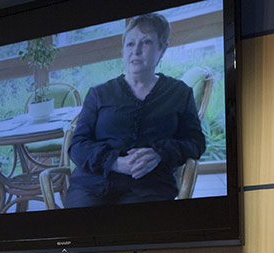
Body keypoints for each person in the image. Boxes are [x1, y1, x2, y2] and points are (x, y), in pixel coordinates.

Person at [65, 13, 206, 207]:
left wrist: (160, 153)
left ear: (162, 49)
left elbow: (196, 142)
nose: (136, 51)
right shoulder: (99, 93)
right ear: (123, 50)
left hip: (150, 186)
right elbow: (77, 146)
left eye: (146, 42)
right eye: (130, 44)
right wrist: (113, 162)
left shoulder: (180, 93)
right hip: (93, 185)